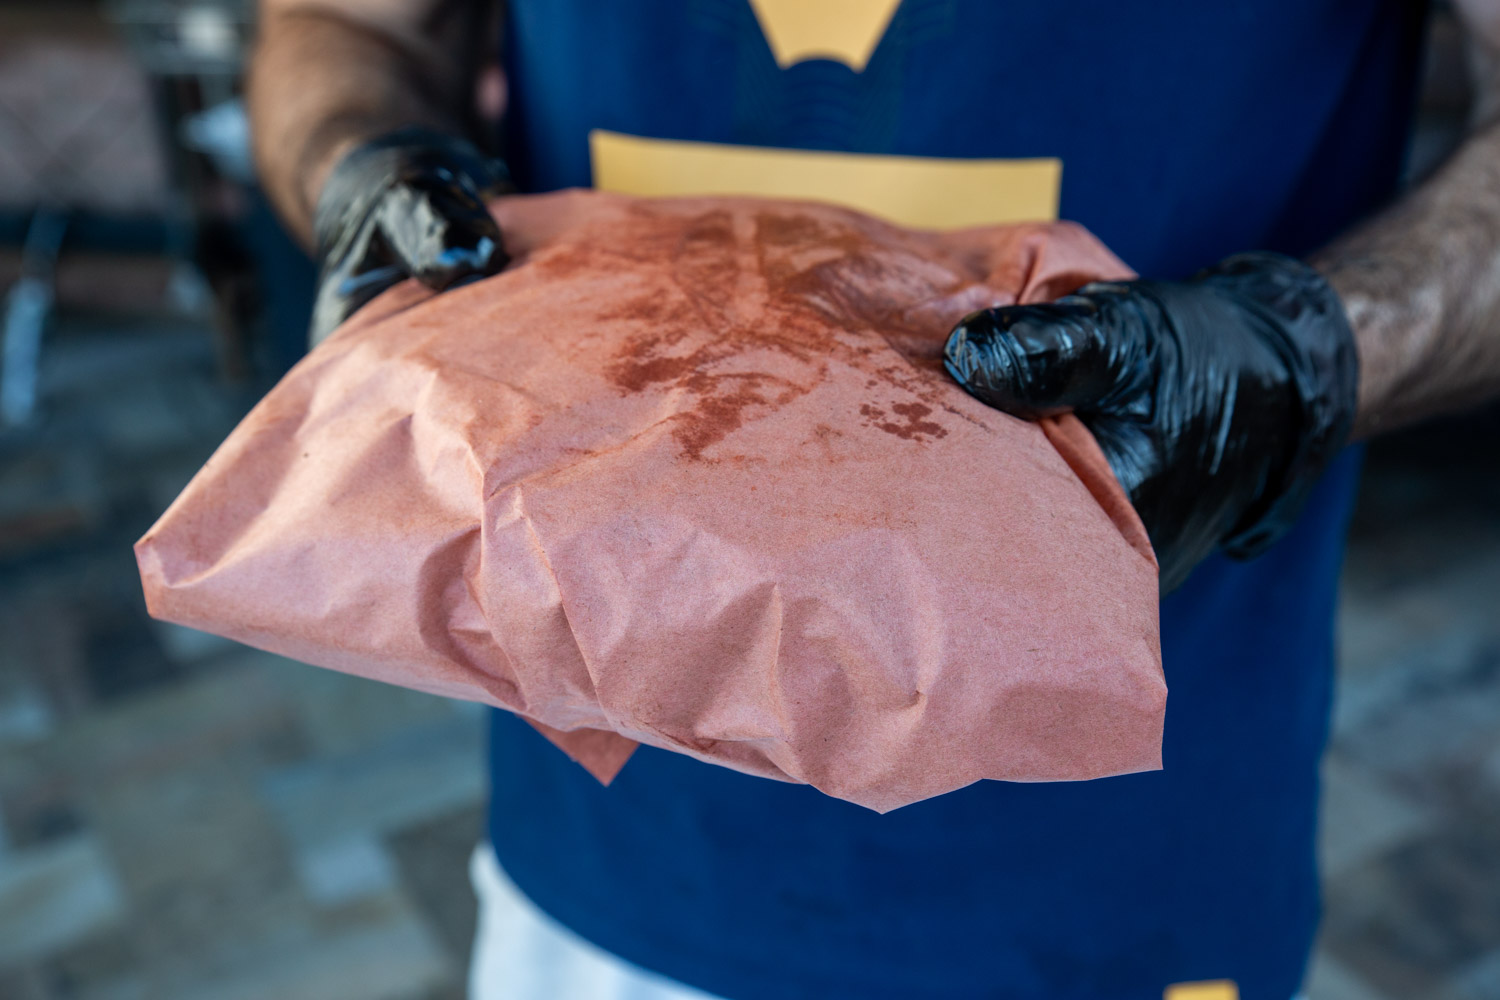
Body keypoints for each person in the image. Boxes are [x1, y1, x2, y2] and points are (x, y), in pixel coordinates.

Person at [247, 2, 1500, 997]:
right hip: (614, 822)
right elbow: (351, 25)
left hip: (1116, 858)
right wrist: (359, 163)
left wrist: (1303, 351)